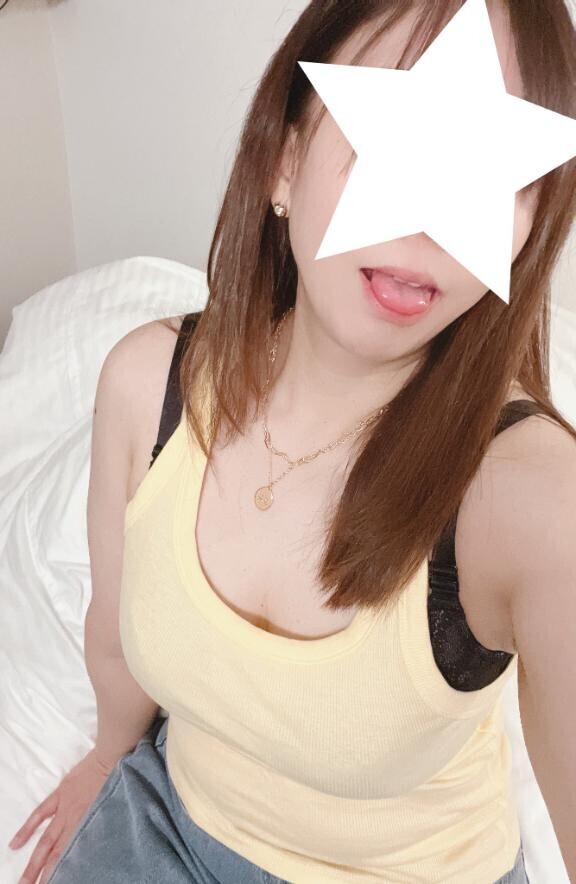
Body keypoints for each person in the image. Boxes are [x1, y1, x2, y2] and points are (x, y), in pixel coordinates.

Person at [10, 0, 576, 882]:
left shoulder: (529, 500)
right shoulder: (144, 385)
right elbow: (116, 640)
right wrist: (105, 759)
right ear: (285, 157)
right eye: (397, 141)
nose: (426, 226)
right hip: (172, 822)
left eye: (485, 174)